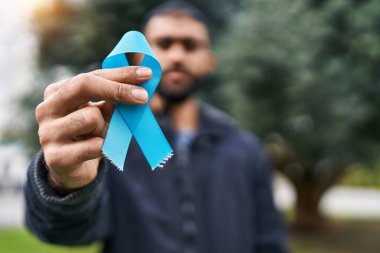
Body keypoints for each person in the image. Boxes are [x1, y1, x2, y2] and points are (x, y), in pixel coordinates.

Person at [24, 1, 288, 253]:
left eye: (190, 45)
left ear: (209, 61)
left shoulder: (245, 149)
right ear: (140, 58)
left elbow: (269, 241)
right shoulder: (113, 142)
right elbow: (64, 232)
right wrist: (65, 185)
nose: (176, 55)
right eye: (164, 44)